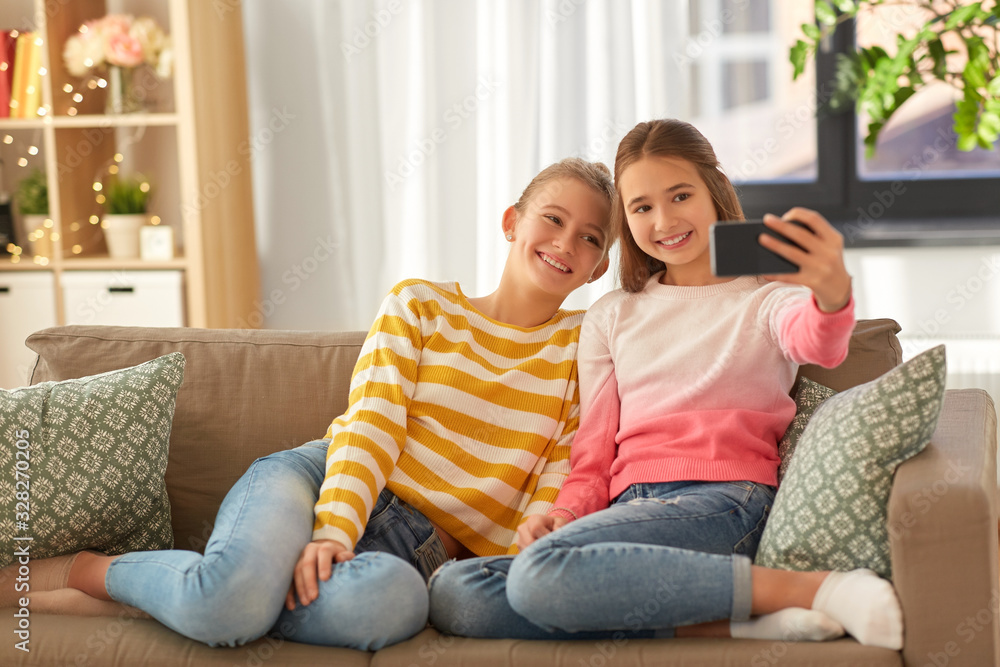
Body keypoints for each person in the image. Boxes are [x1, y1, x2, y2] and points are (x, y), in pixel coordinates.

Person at [6, 157, 617, 651]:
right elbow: (372, 424)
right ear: (512, 220)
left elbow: (560, 469)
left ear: (599, 267)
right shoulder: (422, 305)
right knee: (228, 602)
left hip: (414, 560)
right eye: (553, 218)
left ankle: (201, 593)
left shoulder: (581, 343)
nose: (566, 242)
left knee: (391, 604)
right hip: (323, 479)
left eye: (589, 238)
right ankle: (86, 570)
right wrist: (334, 532)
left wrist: (519, 562)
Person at [428, 119, 905, 650]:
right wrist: (563, 514)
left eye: (681, 196)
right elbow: (592, 456)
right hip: (629, 512)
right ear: (625, 220)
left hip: (726, 503)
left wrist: (832, 293)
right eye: (642, 207)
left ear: (714, 192)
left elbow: (819, 343)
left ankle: (812, 589)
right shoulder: (611, 316)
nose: (664, 220)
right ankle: (730, 622)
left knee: (541, 571)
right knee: (456, 589)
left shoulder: (768, 298)